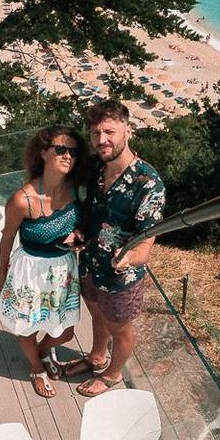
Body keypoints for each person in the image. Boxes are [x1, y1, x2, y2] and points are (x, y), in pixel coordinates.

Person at [65, 100, 165, 397]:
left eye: (109, 131)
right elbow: (88, 207)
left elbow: (146, 245)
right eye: (95, 133)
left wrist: (128, 258)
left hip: (120, 278)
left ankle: (113, 373)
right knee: (97, 314)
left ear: (127, 131)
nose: (102, 140)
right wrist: (79, 230)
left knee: (121, 330)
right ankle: (97, 356)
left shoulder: (148, 184)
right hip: (89, 263)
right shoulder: (96, 166)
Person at [0, 126, 88, 398]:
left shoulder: (74, 189)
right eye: (60, 149)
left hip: (63, 269)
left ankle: (43, 351)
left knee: (65, 331)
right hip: (31, 270)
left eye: (73, 152)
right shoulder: (22, 200)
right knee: (27, 327)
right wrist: (2, 273)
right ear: (43, 153)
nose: (68, 156)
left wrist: (79, 234)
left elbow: (81, 222)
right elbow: (7, 238)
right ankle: (37, 368)